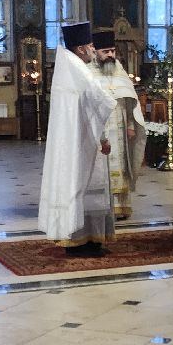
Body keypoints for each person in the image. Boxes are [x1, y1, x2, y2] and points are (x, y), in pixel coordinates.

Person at [39, 22, 115, 257]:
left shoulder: (68, 68)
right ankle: (81, 243)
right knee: (82, 187)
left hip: (75, 142)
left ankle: (87, 239)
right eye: (90, 46)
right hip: (83, 143)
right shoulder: (79, 71)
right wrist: (103, 138)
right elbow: (99, 103)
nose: (93, 49)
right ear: (81, 49)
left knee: (80, 189)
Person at [88, 29, 145, 221]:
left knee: (121, 165)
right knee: (100, 167)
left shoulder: (119, 70)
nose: (110, 55)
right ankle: (101, 206)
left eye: (112, 50)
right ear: (95, 51)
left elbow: (129, 101)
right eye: (105, 51)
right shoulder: (88, 72)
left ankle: (120, 207)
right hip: (100, 128)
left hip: (120, 126)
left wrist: (131, 125)